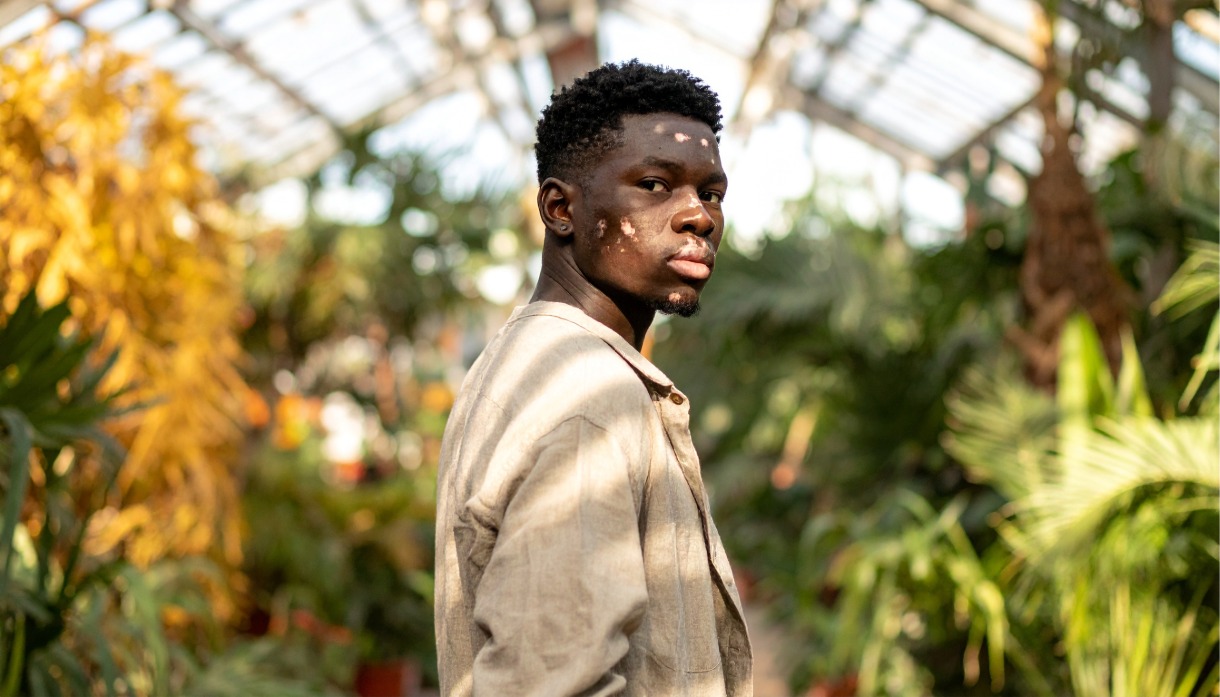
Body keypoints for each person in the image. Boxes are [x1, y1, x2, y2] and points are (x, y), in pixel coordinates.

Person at [434, 60, 752, 696]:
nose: (699, 217)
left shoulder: (528, 359)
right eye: (656, 185)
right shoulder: (588, 395)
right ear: (560, 209)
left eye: (710, 193)